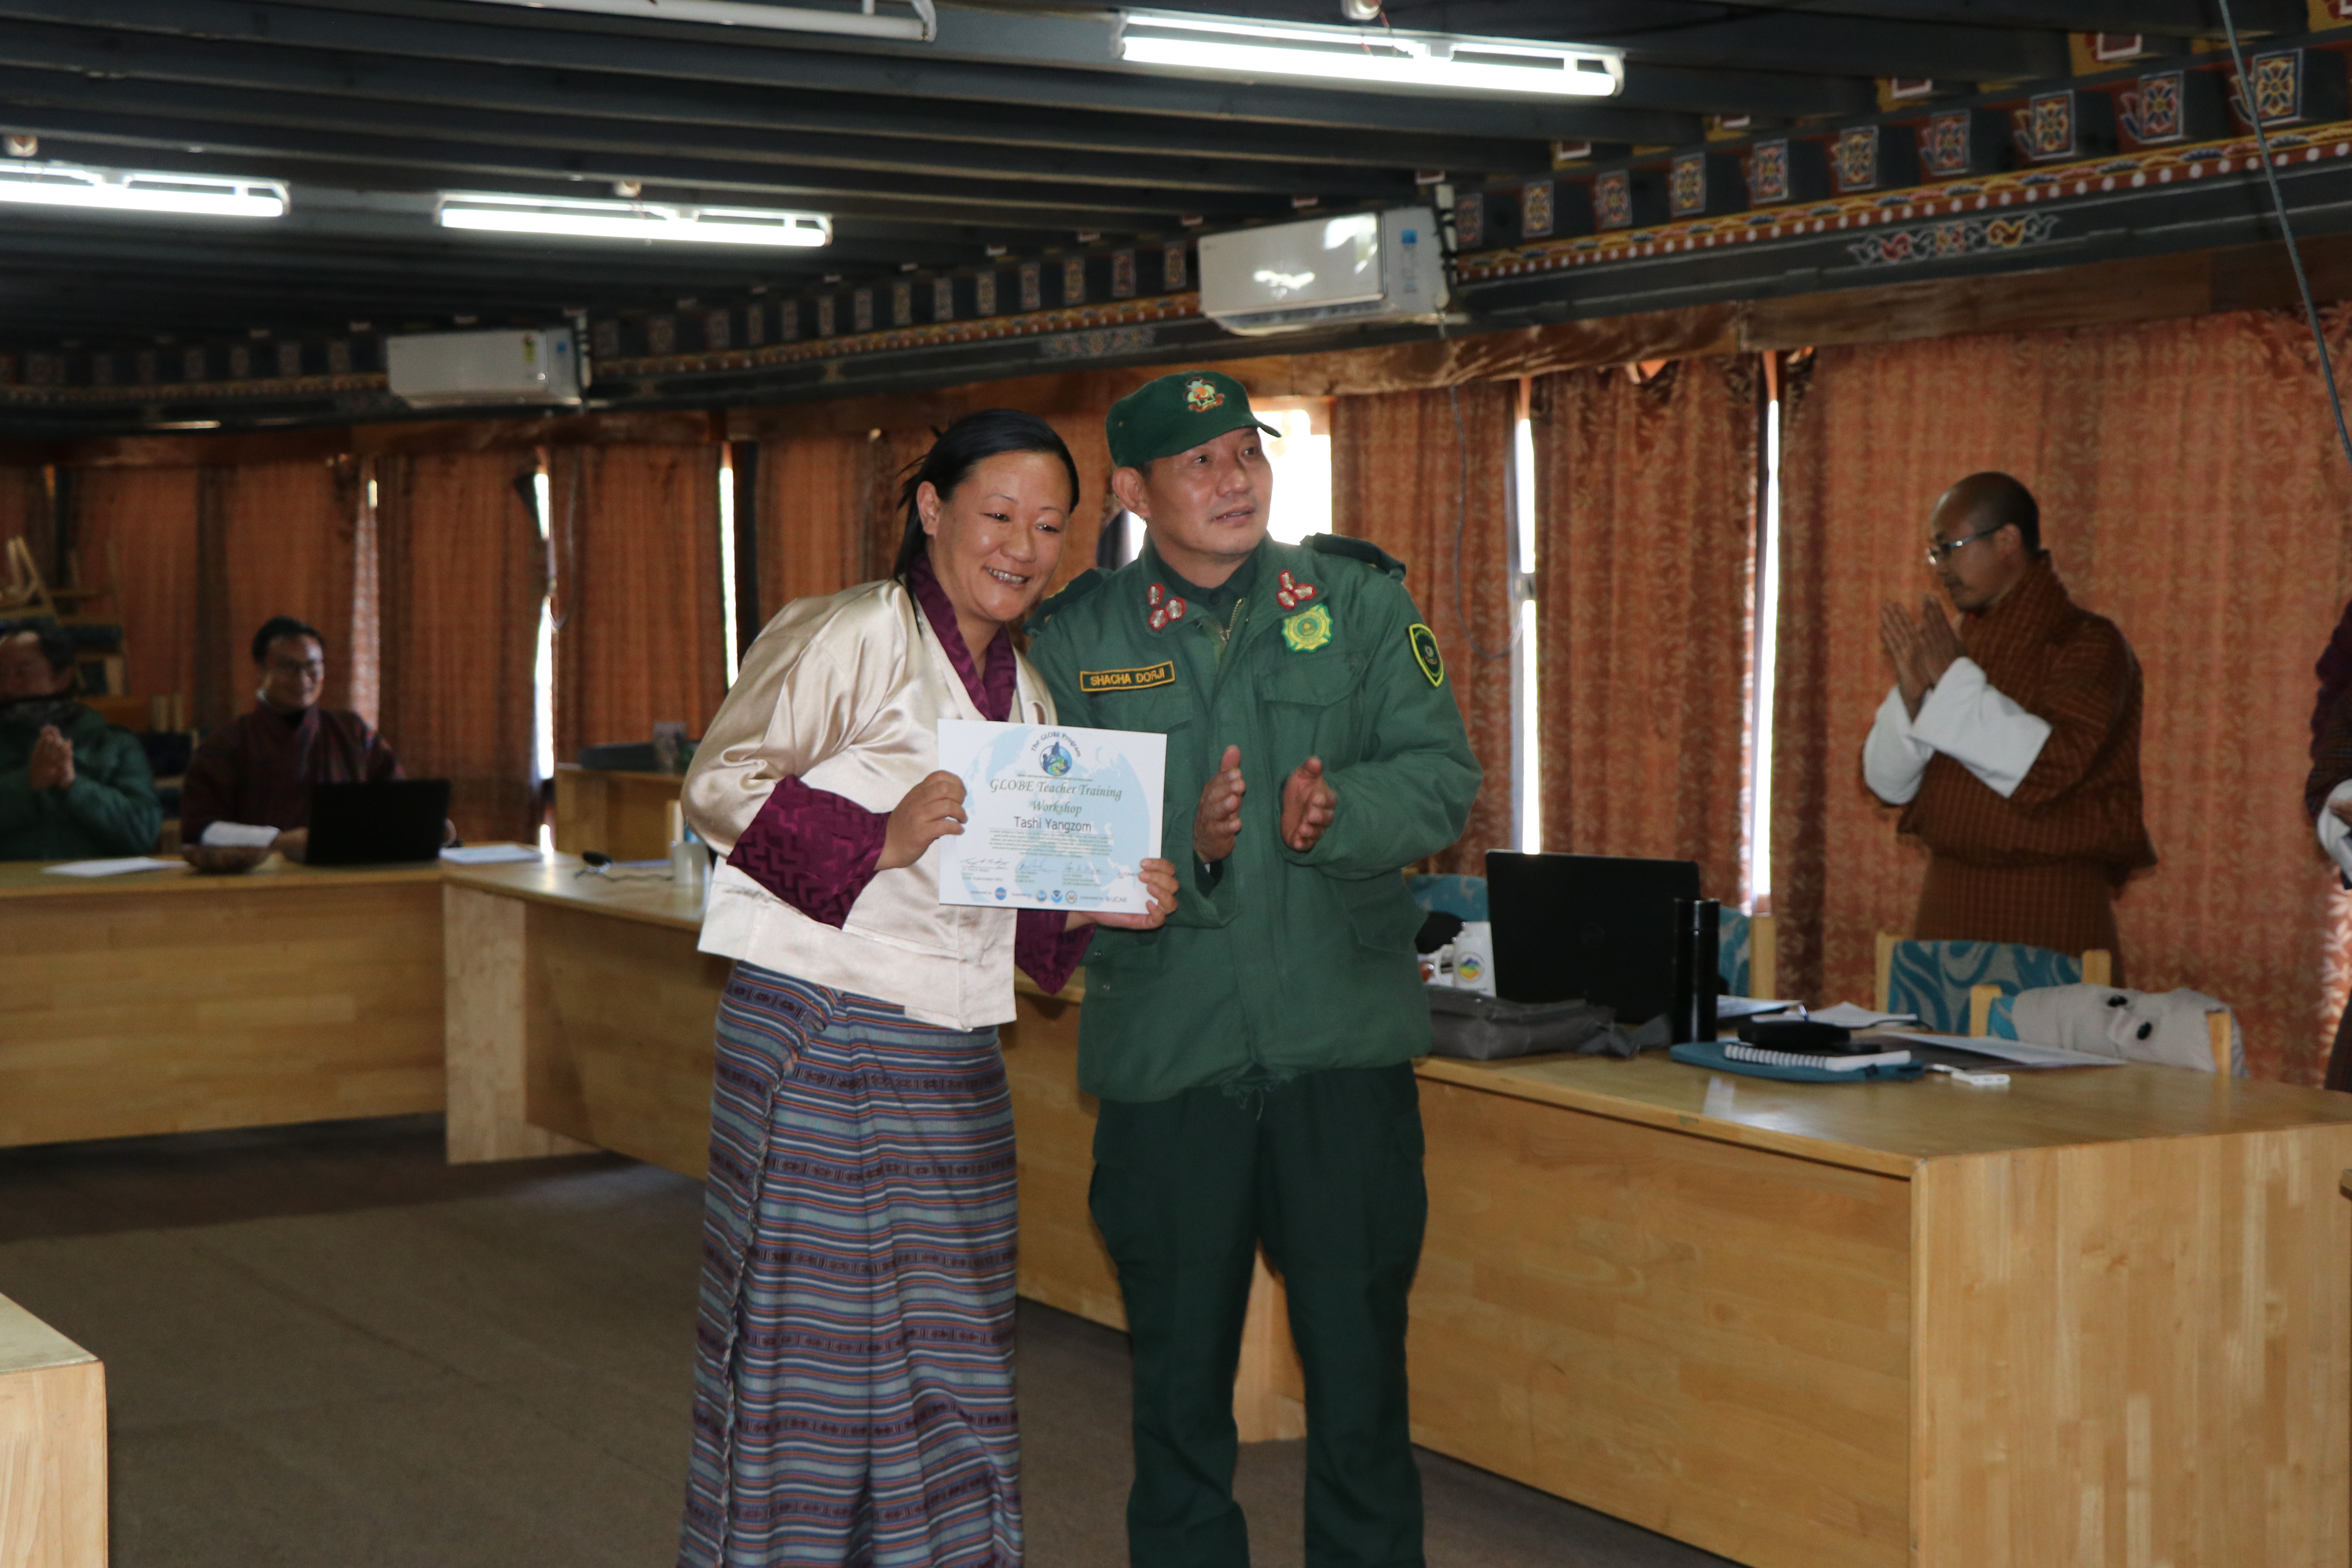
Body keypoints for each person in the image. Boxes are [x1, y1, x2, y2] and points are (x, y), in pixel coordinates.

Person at [674, 409, 1180, 1568]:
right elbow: (719, 780)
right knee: (809, 1356)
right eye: (997, 514)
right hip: (817, 1029)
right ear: (932, 509)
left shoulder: (1030, 701)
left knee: (948, 1350)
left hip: (951, 1061)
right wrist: (880, 832)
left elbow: (1007, 902)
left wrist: (1093, 902)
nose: (1023, 545)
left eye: (1050, 525)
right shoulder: (851, 631)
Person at [1023, 370, 1481, 1568]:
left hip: (1340, 1046)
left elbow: (1439, 776)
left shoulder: (1359, 601)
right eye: (1197, 462)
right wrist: (1191, 848)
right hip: (1172, 1053)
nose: (1232, 481)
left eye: (1245, 453)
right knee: (1177, 1392)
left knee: (1359, 1382)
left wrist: (1341, 810)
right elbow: (1048, 844)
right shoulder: (1074, 639)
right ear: (1130, 489)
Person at [1864, 472, 2155, 977]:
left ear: (2006, 541)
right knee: (1937, 1053)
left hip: (2047, 909)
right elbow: (1887, 785)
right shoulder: (1957, 643)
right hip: (1948, 904)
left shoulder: (2086, 643)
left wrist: (1953, 683)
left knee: (2051, 1058)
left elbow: (2053, 764)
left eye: (1950, 548)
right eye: (1936, 554)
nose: (1942, 569)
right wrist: (1914, 697)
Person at [179, 615, 402, 861]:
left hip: (345, 873)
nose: (303, 679)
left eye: (312, 667)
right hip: (256, 881)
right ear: (260, 669)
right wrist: (278, 840)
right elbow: (201, 829)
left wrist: (423, 824)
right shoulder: (226, 742)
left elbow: (396, 800)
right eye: (288, 667)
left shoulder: (353, 732)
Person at [0, 618, 162, 861]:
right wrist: (28, 783)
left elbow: (142, 833)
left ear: (63, 678)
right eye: (1, 674)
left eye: (24, 672)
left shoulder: (114, 744)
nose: (9, 685)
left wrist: (74, 786)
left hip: (96, 890)